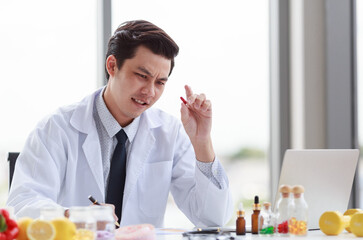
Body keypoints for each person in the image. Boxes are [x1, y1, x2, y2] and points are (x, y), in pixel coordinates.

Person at [7, 20, 233, 227]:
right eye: (142, 76)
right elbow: (21, 204)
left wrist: (202, 142)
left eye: (160, 82)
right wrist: (74, 216)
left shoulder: (169, 132)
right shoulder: (56, 128)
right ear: (112, 66)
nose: (150, 92)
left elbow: (212, 219)